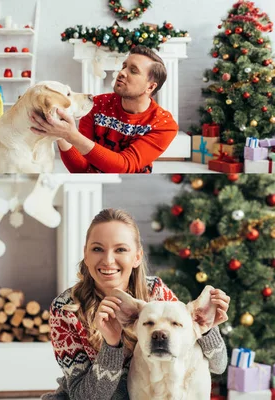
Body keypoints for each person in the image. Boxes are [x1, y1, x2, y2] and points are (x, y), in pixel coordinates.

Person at [42, 209, 229, 400]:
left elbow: (219, 365)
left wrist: (207, 327)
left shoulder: (155, 292)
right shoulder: (65, 309)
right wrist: (111, 346)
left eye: (120, 249)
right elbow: (84, 398)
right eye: (97, 249)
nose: (108, 260)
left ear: (137, 257)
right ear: (86, 254)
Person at [30, 46, 179, 173]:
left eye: (133, 71)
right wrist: (61, 135)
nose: (122, 72)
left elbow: (125, 166)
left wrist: (71, 135)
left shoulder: (163, 124)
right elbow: (81, 170)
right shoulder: (96, 104)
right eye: (124, 66)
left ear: (151, 87)